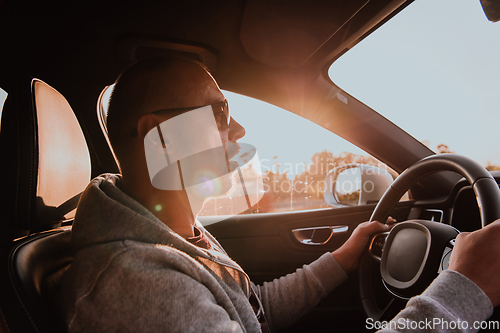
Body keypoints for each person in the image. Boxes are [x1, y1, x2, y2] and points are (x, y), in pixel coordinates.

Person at [58, 56, 498, 333]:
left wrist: (343, 258)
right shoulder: (142, 287)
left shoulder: (170, 237)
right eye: (219, 112)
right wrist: (462, 290)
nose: (239, 130)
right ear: (160, 136)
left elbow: (254, 311)